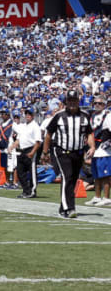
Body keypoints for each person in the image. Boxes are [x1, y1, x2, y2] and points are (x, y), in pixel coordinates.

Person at [42, 90, 96, 219]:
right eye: (70, 100)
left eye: (74, 100)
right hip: (62, 151)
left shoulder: (84, 115)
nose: (72, 103)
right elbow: (49, 133)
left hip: (78, 153)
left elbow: (89, 133)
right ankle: (69, 208)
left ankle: (63, 207)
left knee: (72, 179)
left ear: (78, 101)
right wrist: (45, 152)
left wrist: (92, 146)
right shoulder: (59, 115)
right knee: (67, 177)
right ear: (66, 101)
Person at [9, 107, 42, 198]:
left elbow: (38, 141)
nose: (27, 115)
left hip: (30, 149)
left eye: (29, 114)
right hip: (21, 150)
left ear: (33, 116)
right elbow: (19, 139)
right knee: (20, 171)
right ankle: (26, 190)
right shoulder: (23, 126)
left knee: (32, 172)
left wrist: (32, 152)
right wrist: (12, 147)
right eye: (26, 114)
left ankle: (32, 191)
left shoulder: (35, 126)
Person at [87, 95, 111, 206]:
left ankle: (106, 197)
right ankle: (97, 196)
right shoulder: (92, 116)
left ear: (104, 104)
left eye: (100, 103)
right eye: (95, 103)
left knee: (105, 175)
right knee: (96, 174)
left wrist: (107, 143)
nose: (97, 105)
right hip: (95, 149)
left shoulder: (108, 115)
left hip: (104, 149)